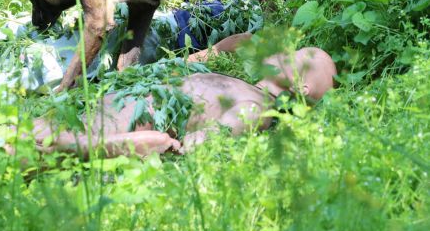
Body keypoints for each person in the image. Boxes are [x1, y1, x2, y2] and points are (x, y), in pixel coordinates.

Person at [26, 35, 336, 158]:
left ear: (301, 88)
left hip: (140, 116)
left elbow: (217, 135)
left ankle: (82, 146)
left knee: (24, 146)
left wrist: (184, 142)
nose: (287, 52)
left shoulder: (258, 107)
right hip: (130, 102)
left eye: (298, 56)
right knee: (25, 135)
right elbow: (223, 48)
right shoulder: (248, 88)